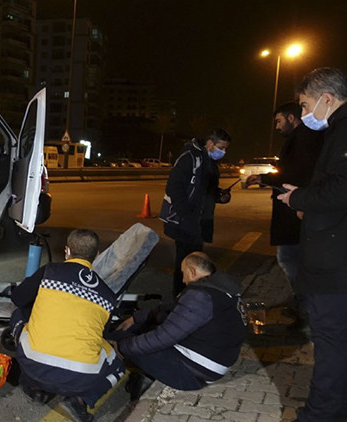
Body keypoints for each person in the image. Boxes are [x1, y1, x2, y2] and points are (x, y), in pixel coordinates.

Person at [277, 67, 347, 422]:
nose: (304, 113)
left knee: (331, 340)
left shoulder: (343, 130)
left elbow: (341, 188)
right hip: (335, 254)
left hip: (334, 265)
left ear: (327, 99)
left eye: (305, 105)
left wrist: (299, 199)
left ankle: (320, 414)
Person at [9, 229, 125, 422]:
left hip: (34, 366)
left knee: (18, 315)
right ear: (97, 255)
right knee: (117, 365)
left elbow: (18, 298)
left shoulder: (49, 272)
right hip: (80, 378)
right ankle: (81, 400)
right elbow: (100, 336)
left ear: (67, 251)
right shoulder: (108, 296)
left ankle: (33, 386)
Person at [113, 252, 246, 396]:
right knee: (139, 331)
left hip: (194, 373)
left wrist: (121, 347)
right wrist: (136, 318)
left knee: (122, 338)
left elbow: (162, 337)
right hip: (214, 361)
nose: (183, 280)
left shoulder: (200, 296)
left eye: (183, 273)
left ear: (192, 271)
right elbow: (171, 310)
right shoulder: (220, 290)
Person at [245, 102, 323, 322]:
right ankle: (303, 304)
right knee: (292, 259)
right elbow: (291, 172)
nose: (277, 127)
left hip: (294, 211)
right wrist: (263, 178)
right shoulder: (302, 138)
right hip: (295, 209)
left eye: (279, 121)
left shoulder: (303, 139)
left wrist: (266, 179)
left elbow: (297, 174)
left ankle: (305, 308)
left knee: (290, 259)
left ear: (291, 118)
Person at [160, 129, 232, 296]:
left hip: (199, 221)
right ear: (210, 143)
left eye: (226, 148)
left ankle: (190, 295)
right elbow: (174, 187)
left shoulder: (209, 162)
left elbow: (206, 190)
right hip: (186, 221)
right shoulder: (190, 157)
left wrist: (220, 196)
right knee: (186, 263)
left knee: (194, 261)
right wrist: (185, 215)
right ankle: (180, 297)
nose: (223, 152)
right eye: (221, 147)